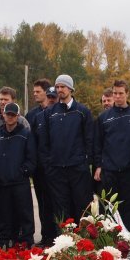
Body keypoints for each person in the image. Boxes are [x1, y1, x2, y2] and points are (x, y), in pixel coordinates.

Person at [40, 74, 94, 231]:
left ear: (70, 88)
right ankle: (65, 241)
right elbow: (44, 142)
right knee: (61, 208)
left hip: (78, 169)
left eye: (62, 87)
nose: (59, 90)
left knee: (82, 206)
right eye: (57, 87)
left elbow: (89, 139)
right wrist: (48, 165)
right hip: (56, 170)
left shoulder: (82, 111)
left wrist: (85, 162)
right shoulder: (49, 113)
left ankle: (85, 239)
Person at [94, 79, 130, 240]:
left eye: (121, 93)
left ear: (127, 94)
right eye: (115, 93)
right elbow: (98, 144)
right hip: (110, 171)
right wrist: (99, 166)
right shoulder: (104, 117)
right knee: (108, 210)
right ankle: (109, 240)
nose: (117, 96)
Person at [0, 102, 36, 248]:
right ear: (3, 115)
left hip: (20, 182)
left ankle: (26, 241)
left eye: (13, 115)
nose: (10, 117)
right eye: (7, 114)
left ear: (17, 116)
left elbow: (31, 158)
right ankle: (4, 240)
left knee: (25, 214)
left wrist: (23, 172)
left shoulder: (25, 134)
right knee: (4, 214)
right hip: (2, 183)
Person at [26, 78, 57, 246]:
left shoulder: (56, 112)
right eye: (34, 91)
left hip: (55, 167)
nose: (35, 94)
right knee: (42, 203)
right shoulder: (32, 115)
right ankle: (45, 236)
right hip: (39, 168)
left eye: (38, 91)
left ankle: (55, 236)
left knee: (55, 203)